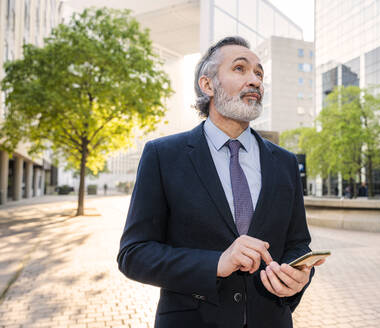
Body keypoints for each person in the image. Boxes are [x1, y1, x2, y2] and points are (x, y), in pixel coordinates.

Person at [117, 36, 323, 328]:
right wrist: (215, 264)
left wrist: (300, 276)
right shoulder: (162, 156)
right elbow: (134, 255)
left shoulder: (285, 163)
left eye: (259, 73)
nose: (254, 80)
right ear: (208, 85)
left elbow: (298, 244)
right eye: (240, 69)